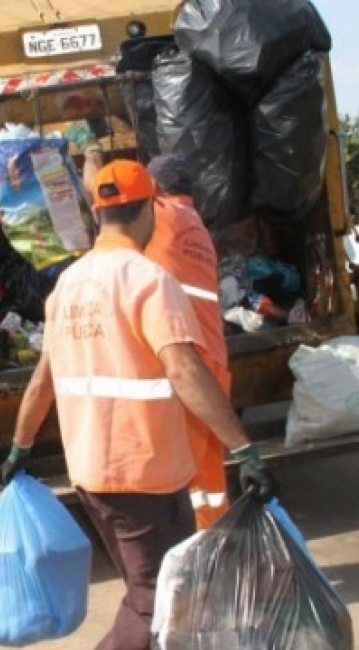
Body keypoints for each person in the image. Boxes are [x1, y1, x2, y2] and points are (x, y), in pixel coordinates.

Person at [1, 160, 275, 650]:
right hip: (144, 474)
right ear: (151, 206)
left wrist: (20, 447)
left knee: (156, 590)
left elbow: (42, 380)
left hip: (91, 474)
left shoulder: (67, 286)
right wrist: (245, 450)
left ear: (97, 211)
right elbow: (186, 371)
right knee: (154, 601)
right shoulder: (148, 280)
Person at [144, 154, 231, 530]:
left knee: (192, 468)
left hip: (190, 362)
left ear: (157, 191)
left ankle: (201, 550)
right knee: (208, 469)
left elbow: (106, 200)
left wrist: (93, 155)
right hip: (211, 358)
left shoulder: (164, 216)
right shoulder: (192, 220)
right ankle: (213, 542)